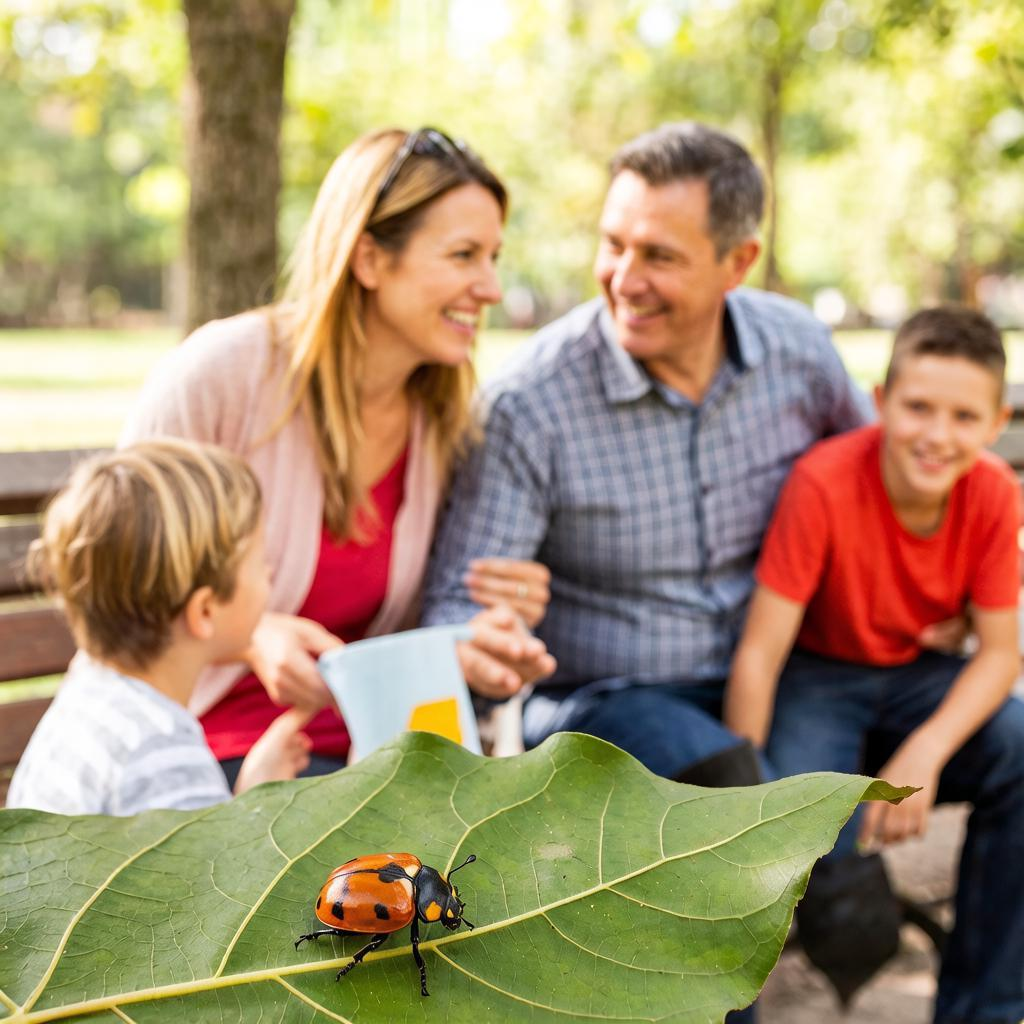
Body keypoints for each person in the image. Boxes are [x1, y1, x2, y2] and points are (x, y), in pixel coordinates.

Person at [422, 121, 871, 782]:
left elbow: (878, 483)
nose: (624, 280)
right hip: (603, 697)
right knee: (747, 796)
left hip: (777, 668)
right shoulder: (530, 402)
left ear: (738, 263)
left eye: (659, 256)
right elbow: (458, 608)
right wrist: (488, 641)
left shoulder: (799, 351)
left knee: (1010, 741)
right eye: (612, 245)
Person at [121, 128, 555, 784]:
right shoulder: (223, 375)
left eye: (492, 256)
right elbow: (119, 583)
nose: (491, 287)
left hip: (371, 759)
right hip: (209, 759)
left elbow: (409, 636)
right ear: (370, 259)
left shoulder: (440, 424)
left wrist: (477, 643)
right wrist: (250, 633)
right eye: (464, 255)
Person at [724, 307, 1024, 1024]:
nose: (937, 435)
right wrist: (736, 798)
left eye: (962, 415)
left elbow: (1002, 653)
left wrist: (926, 748)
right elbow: (761, 653)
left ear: (994, 423)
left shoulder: (993, 493)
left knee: (1020, 746)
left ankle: (984, 1006)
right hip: (818, 678)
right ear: (881, 401)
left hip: (917, 680)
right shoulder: (824, 483)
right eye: (918, 407)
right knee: (783, 822)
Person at [8, 440, 312, 816]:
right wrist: (258, 809)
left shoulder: (90, 691)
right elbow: (208, 875)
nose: (269, 573)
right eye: (258, 561)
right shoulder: (161, 751)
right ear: (204, 611)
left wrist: (249, 791)